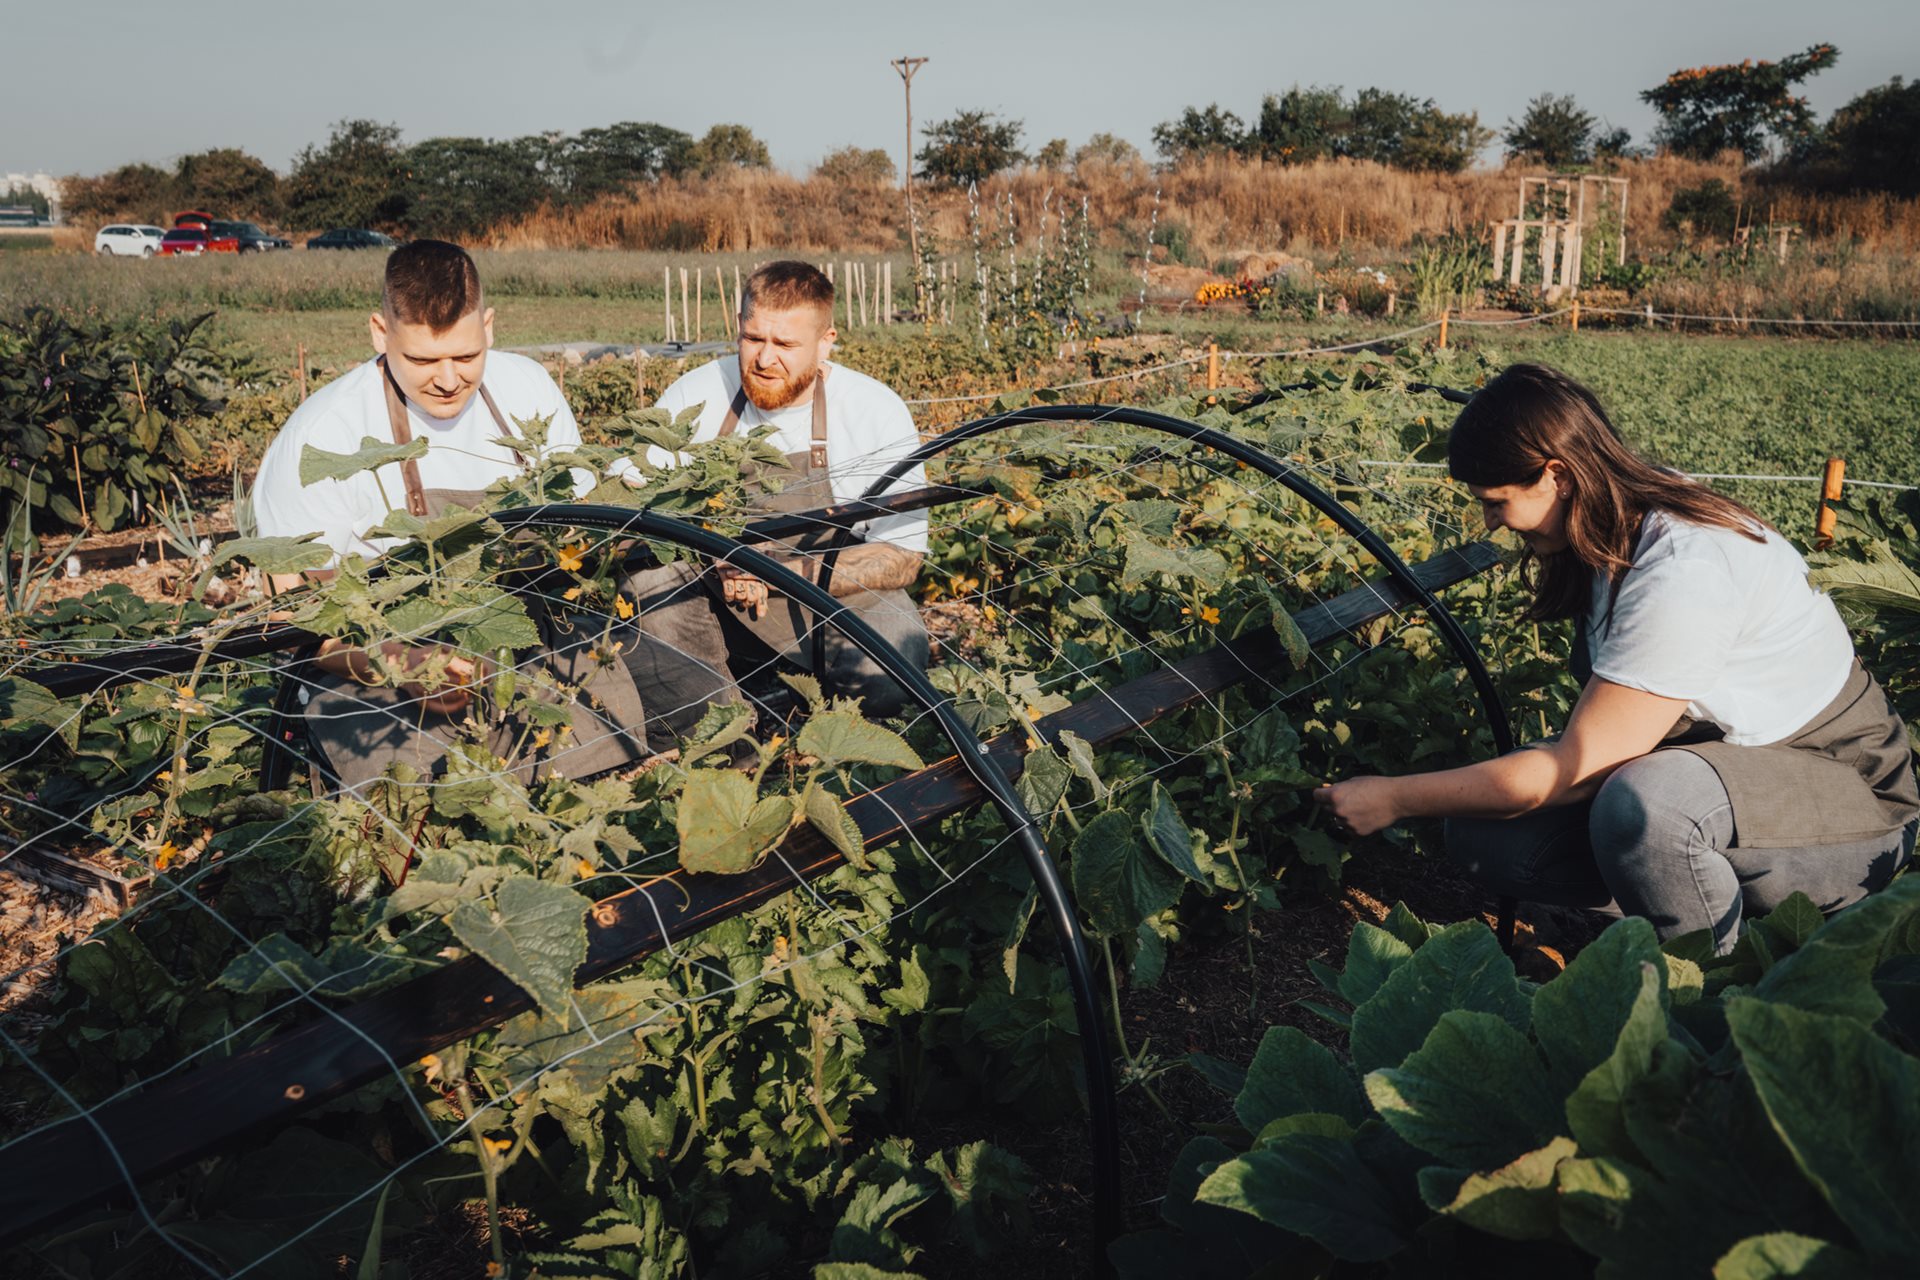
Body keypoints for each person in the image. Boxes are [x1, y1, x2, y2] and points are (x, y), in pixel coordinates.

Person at [1313, 363, 1918, 954]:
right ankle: (1675, 911)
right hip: (1735, 770)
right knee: (1483, 833)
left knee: (1647, 806)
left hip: (1852, 803)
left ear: (1558, 474)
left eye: (1497, 501)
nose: (1492, 523)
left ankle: (1714, 991)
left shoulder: (1683, 568)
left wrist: (1394, 797)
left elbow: (1572, 771)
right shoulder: (1613, 521)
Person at [253, 239, 649, 794]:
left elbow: (578, 530)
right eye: (421, 359)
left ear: (489, 327)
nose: (446, 379)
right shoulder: (322, 437)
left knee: (604, 764)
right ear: (378, 332)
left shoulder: (527, 388)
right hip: (372, 670)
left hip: (519, 635)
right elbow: (295, 619)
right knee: (426, 804)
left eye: (465, 357)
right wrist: (402, 662)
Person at [619, 260, 930, 745]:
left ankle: (833, 720)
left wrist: (783, 573)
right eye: (752, 338)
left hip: (822, 595)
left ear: (827, 340)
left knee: (891, 663)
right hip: (713, 595)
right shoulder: (696, 394)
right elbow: (634, 511)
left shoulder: (873, 409)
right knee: (648, 578)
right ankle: (716, 731)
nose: (764, 360)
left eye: (785, 345)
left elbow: (902, 557)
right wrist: (713, 555)